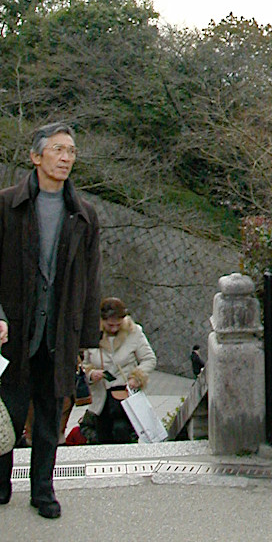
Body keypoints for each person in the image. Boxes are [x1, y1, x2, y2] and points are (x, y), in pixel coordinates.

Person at [0, 122, 101, 518]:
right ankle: (1, 483)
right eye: (58, 150)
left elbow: (91, 281)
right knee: (7, 412)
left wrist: (87, 341)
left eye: (71, 151)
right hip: (14, 331)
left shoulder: (83, 214)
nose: (65, 158)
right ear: (36, 156)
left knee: (48, 415)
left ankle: (43, 490)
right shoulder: (7, 206)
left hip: (59, 331)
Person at [82, 297, 156, 444]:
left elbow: (149, 359)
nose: (114, 328)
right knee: (102, 439)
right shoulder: (91, 333)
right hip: (101, 398)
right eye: (110, 325)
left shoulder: (134, 332)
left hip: (126, 394)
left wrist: (137, 377)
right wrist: (91, 374)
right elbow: (83, 364)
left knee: (122, 432)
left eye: (118, 324)